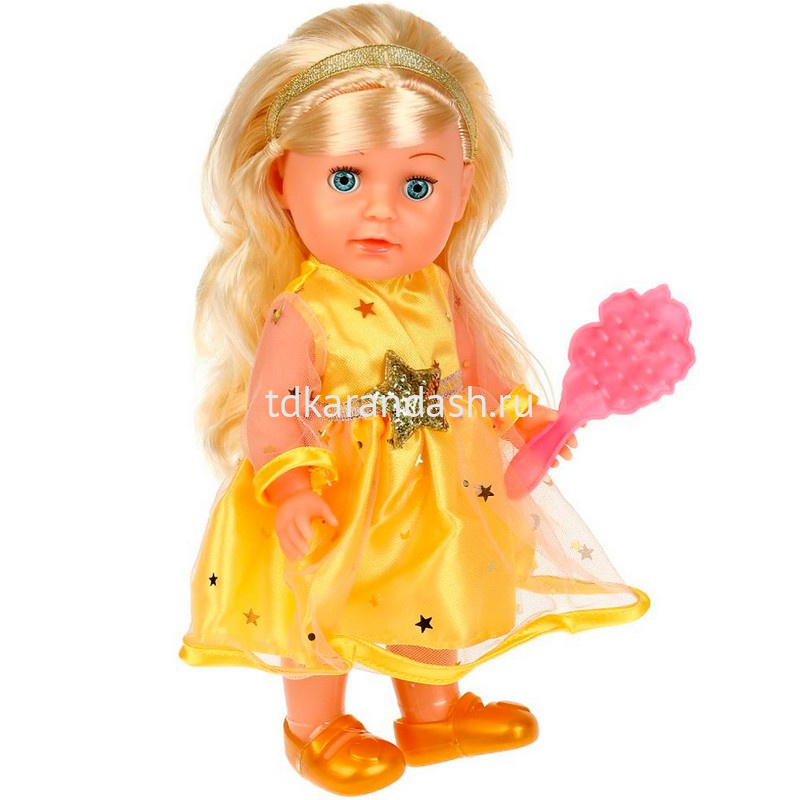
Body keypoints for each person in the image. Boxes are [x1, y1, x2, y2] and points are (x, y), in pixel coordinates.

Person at [179, 4, 649, 794]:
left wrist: (521, 415)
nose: (380, 209)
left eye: (418, 184)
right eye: (345, 178)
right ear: (283, 182)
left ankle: (433, 715)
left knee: (432, 587)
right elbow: (275, 410)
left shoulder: (439, 291)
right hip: (338, 494)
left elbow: (474, 374)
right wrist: (292, 488)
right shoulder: (304, 310)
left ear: (462, 193)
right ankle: (316, 728)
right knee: (318, 614)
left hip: (434, 490)